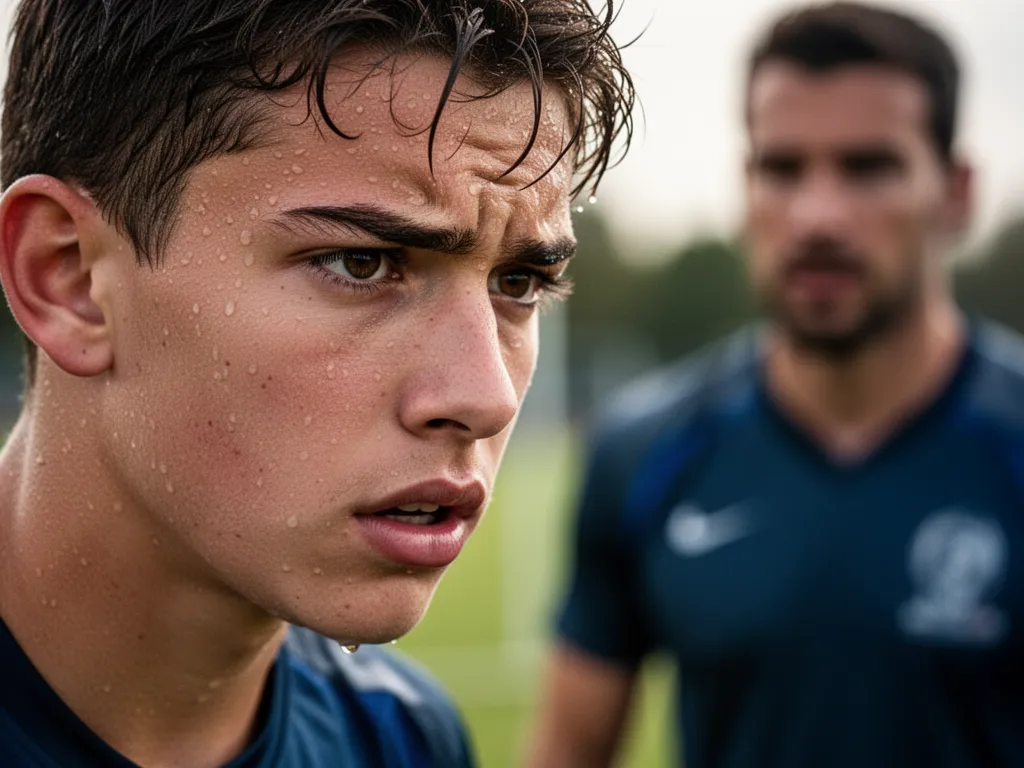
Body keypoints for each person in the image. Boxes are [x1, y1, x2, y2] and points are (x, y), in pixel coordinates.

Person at [0, 1, 634, 766]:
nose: (486, 396)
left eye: (520, 282)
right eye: (360, 263)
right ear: (66, 276)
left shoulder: (403, 739)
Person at [529, 2, 1024, 767]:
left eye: (869, 167)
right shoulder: (646, 454)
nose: (818, 215)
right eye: (783, 168)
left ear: (954, 192)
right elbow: (567, 751)